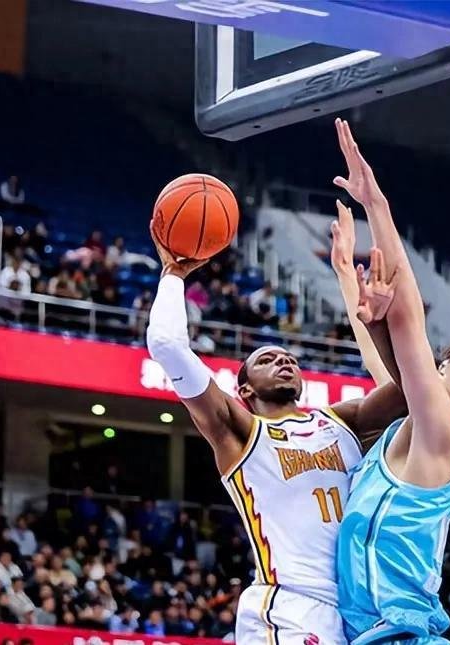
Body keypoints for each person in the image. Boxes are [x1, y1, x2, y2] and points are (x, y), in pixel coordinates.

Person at [144, 207, 406, 644]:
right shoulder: (240, 431)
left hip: (353, 612)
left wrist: (380, 324)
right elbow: (167, 344)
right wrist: (173, 274)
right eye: (267, 359)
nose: (284, 361)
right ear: (244, 389)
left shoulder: (341, 421)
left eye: (289, 359)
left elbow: (412, 390)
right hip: (288, 605)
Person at [330, 119, 450, 645]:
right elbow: (379, 353)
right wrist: (347, 275)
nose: (427, 371)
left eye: (442, 371)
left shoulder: (442, 441)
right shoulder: (410, 427)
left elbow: (406, 322)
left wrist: (376, 205)